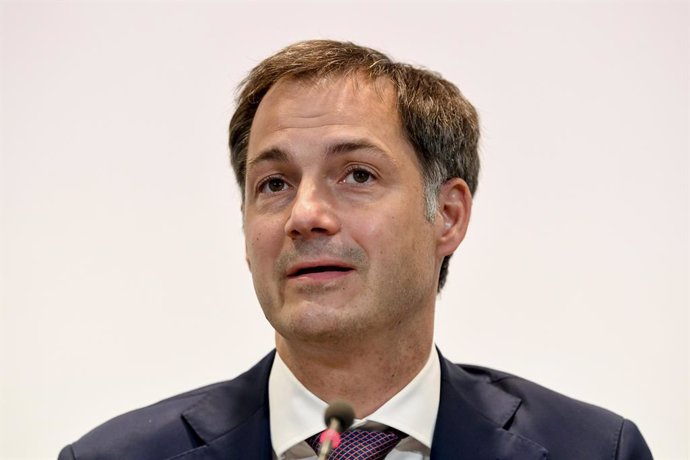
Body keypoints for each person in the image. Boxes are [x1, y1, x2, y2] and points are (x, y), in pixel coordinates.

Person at [58, 40, 653, 460]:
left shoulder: (596, 451)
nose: (305, 216)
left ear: (447, 215)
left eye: (358, 175)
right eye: (274, 184)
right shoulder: (112, 457)